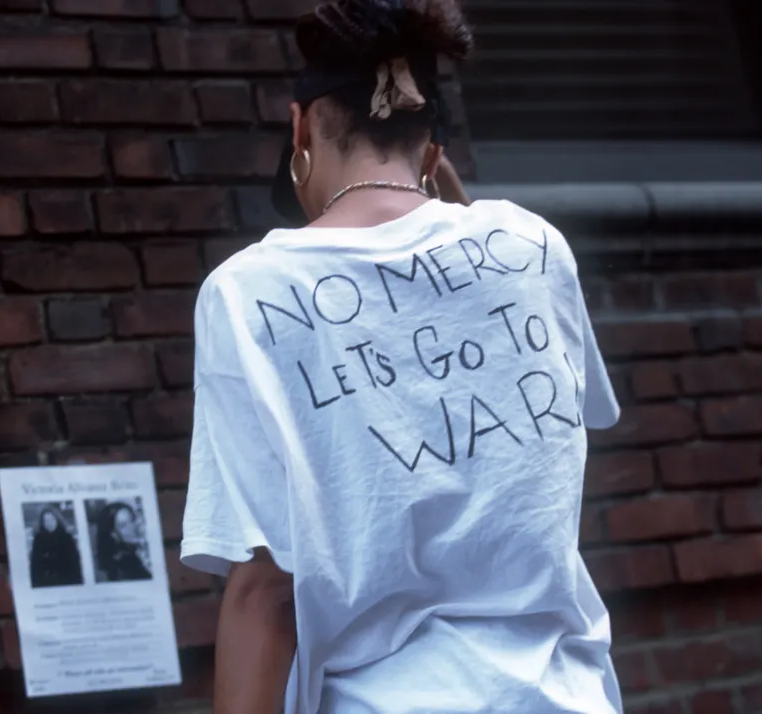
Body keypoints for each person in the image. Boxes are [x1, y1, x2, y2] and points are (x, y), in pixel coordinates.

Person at [180, 1, 623, 713]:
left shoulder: (250, 292)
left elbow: (266, 589)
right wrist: (442, 195)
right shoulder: (531, 247)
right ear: (434, 150)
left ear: (299, 128)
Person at [95, 502, 153, 582]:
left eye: (132, 520)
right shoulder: (124, 566)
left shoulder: (145, 548)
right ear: (113, 534)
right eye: (123, 525)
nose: (132, 527)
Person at [29, 504, 82, 588]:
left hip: (67, 582)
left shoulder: (67, 538)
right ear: (42, 523)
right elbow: (35, 566)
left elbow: (75, 564)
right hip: (46, 584)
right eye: (46, 521)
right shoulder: (38, 540)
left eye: (52, 519)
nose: (49, 523)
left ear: (57, 520)